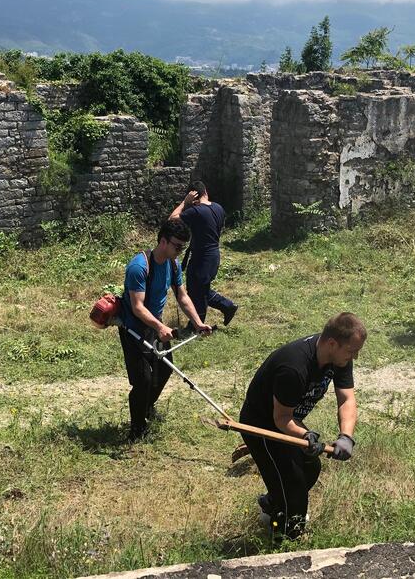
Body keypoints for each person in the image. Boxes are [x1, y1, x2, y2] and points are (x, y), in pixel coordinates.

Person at [238, 312, 364, 540]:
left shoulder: (339, 356)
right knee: (293, 487)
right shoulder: (294, 367)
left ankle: (273, 504)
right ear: (332, 343)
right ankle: (286, 538)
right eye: (351, 351)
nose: (354, 356)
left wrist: (346, 436)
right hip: (262, 424)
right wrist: (306, 435)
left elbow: (347, 399)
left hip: (288, 420)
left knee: (310, 468)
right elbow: (281, 419)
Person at [119, 218, 212, 440]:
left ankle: (146, 408)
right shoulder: (139, 267)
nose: (180, 251)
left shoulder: (173, 264)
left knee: (165, 370)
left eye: (183, 247)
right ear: (163, 241)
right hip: (134, 329)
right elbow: (137, 307)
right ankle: (136, 431)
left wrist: (197, 322)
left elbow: (182, 295)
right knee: (143, 380)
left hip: (156, 327)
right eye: (177, 246)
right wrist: (160, 326)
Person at [168, 181, 238, 326]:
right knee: (198, 289)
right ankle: (227, 306)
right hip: (213, 255)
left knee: (197, 292)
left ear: (193, 196)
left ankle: (197, 325)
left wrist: (184, 203)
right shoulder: (218, 208)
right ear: (205, 192)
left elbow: (172, 220)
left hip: (202, 257)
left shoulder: (196, 211)